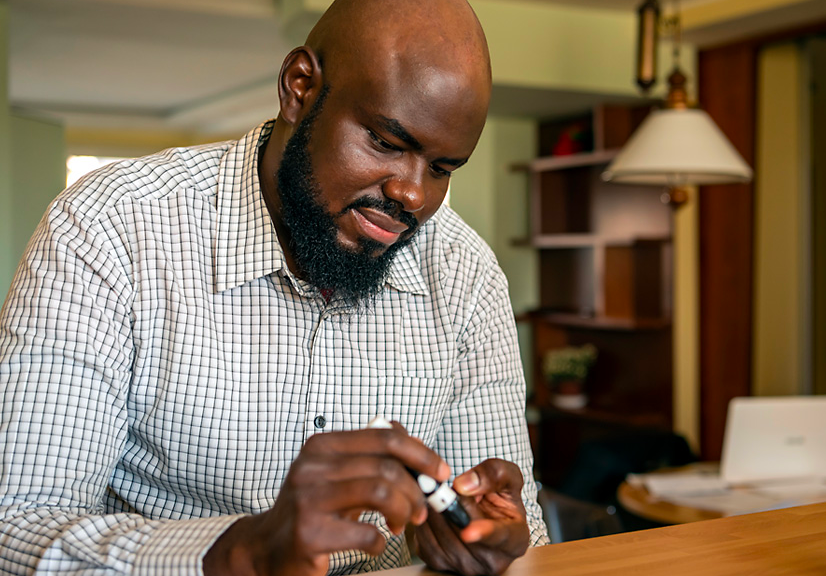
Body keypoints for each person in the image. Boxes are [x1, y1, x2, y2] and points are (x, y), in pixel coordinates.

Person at [0, 0, 549, 574]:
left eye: (442, 169)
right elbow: (17, 528)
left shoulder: (466, 275)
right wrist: (244, 552)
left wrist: (487, 543)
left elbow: (519, 533)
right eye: (387, 143)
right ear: (300, 87)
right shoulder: (109, 230)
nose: (412, 195)